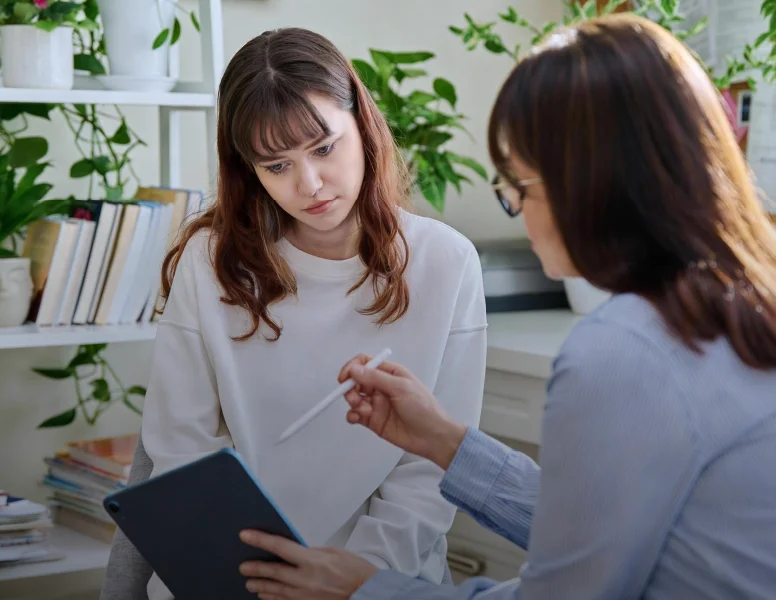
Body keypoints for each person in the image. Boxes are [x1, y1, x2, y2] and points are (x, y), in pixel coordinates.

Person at [234, 14, 776, 600]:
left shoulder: (627, 349)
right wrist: (445, 443)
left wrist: (363, 588)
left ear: (585, 184)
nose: (520, 216)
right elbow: (603, 523)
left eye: (517, 189)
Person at [99, 27, 489, 600]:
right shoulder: (210, 263)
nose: (309, 185)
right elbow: (180, 452)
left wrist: (350, 581)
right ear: (247, 169)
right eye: (276, 166)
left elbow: (430, 473)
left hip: (380, 584)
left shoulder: (445, 263)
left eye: (325, 148)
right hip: (226, 582)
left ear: (362, 124)